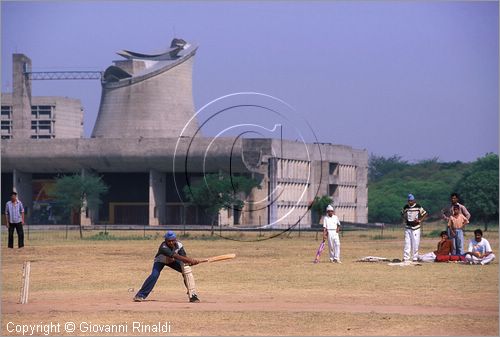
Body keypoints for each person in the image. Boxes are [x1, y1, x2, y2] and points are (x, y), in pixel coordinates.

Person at [134, 230, 201, 303]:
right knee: (154, 275)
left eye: (173, 241)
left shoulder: (179, 245)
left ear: (175, 240)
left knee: (186, 271)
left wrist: (190, 262)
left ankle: (193, 295)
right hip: (160, 261)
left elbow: (183, 257)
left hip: (172, 261)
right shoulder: (163, 247)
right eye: (169, 241)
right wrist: (190, 260)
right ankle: (140, 295)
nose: (171, 243)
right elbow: (176, 256)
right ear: (165, 240)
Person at [401, 194, 428, 262]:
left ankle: (415, 258)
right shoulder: (406, 207)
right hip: (408, 227)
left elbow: (425, 213)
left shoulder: (418, 207)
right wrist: (405, 219)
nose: (410, 202)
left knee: (415, 243)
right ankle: (406, 257)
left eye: (411, 201)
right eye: (409, 201)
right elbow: (402, 213)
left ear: (414, 200)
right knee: (407, 243)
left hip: (416, 227)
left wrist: (420, 220)